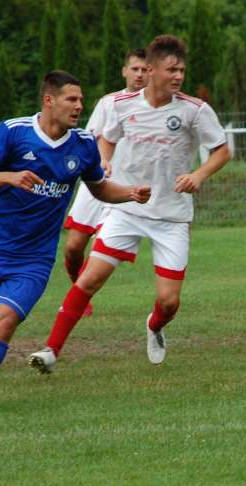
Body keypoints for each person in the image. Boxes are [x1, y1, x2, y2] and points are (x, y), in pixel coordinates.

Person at [0, 70, 150, 417]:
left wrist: (129, 192)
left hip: (33, 258)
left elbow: (99, 187)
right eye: (72, 99)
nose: (79, 106)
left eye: (81, 100)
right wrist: (9, 176)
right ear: (49, 100)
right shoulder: (13, 133)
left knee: (6, 320)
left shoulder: (83, 144)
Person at [29, 35, 230, 371]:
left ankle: (154, 326)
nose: (178, 76)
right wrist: (105, 161)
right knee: (89, 279)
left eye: (181, 69)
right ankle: (51, 351)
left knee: (169, 302)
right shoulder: (120, 105)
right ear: (150, 70)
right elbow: (107, 140)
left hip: (172, 216)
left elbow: (222, 150)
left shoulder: (194, 110)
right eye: (171, 69)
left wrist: (199, 174)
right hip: (127, 210)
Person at [62, 48, 148, 317]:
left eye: (145, 69)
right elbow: (91, 138)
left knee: (103, 246)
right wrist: (100, 161)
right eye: (135, 68)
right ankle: (78, 288)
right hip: (97, 181)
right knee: (74, 246)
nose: (140, 74)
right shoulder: (109, 102)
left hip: (125, 190)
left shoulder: (158, 108)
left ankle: (80, 297)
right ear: (125, 71)